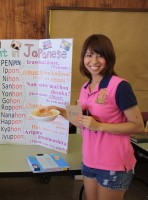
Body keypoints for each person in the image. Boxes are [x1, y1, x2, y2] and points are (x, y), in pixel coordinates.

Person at [48, 34, 144, 200]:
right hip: (89, 161)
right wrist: (60, 112)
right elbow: (83, 123)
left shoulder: (120, 86)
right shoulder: (86, 87)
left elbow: (138, 126)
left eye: (100, 55)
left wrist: (99, 126)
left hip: (114, 163)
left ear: (109, 58)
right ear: (83, 58)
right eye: (89, 55)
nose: (94, 60)